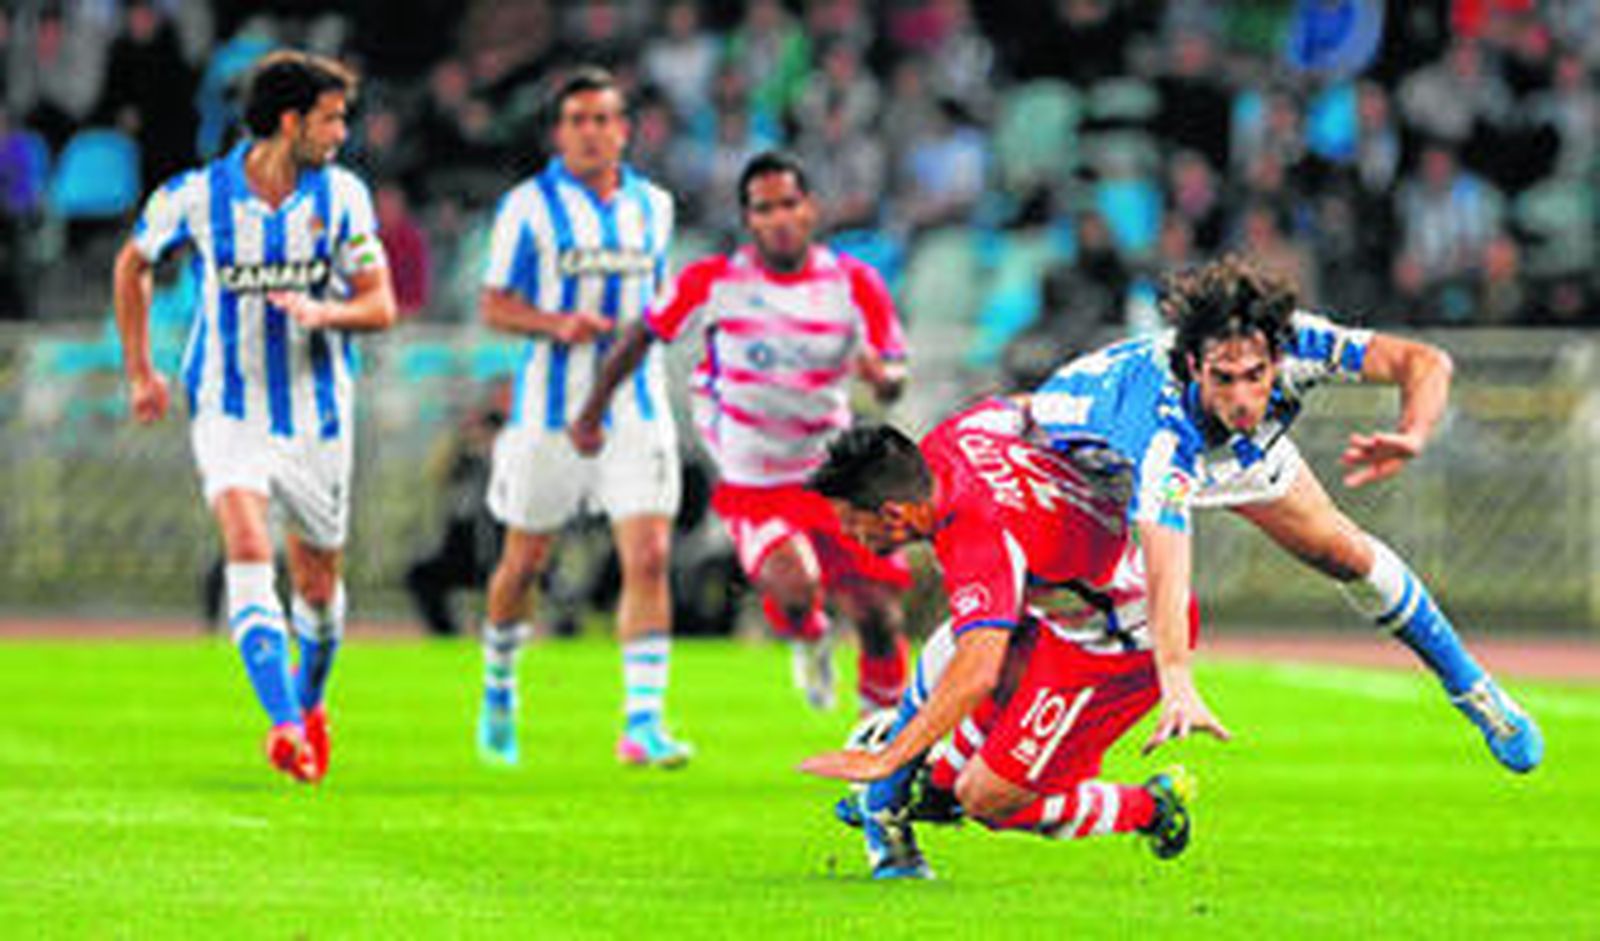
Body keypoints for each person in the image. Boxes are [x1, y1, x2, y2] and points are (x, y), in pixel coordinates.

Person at [1023, 254, 1542, 773]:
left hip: (1228, 452)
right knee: (1031, 592)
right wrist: (1176, 679)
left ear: (1278, 356)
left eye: (1255, 376)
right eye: (1223, 379)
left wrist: (1414, 433)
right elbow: (1169, 569)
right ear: (1192, 368)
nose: (1244, 397)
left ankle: (1473, 689)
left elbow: (1427, 363)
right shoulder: (1161, 430)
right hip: (1084, 468)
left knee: (1344, 552)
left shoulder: (1301, 344)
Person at [112, 51, 397, 784]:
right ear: (290, 120)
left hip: (319, 414)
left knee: (316, 584)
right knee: (245, 538)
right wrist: (142, 370)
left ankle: (309, 703)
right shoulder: (198, 195)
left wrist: (322, 308)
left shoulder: (344, 199)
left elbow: (380, 304)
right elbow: (131, 264)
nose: (341, 133)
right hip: (228, 407)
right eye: (332, 118)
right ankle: (281, 723)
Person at [798, 401, 1208, 879]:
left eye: (850, 522)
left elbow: (978, 671)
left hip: (1122, 648)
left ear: (892, 515)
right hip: (1061, 616)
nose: (847, 535)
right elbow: (1026, 405)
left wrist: (888, 757)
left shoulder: (978, 536)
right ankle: (899, 796)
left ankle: (1149, 807)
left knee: (983, 799)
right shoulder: (953, 438)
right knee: (943, 746)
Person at [572, 151, 913, 714]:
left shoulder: (855, 284)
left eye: (789, 204)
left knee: (879, 614)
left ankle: (881, 732)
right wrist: (591, 411)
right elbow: (640, 336)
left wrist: (884, 377)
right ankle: (809, 639)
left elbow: (895, 373)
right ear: (748, 219)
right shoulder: (714, 283)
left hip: (835, 475)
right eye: (763, 208)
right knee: (797, 593)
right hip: (755, 481)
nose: (778, 217)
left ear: (810, 209)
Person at [475, 67, 688, 769]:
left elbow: (658, 307)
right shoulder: (527, 207)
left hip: (638, 404)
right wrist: (554, 322)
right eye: (578, 120)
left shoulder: (654, 206)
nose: (592, 132)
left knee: (651, 554)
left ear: (624, 129)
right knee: (524, 561)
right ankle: (500, 685)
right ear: (560, 131)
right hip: (548, 411)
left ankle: (644, 721)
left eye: (604, 119)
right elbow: (494, 304)